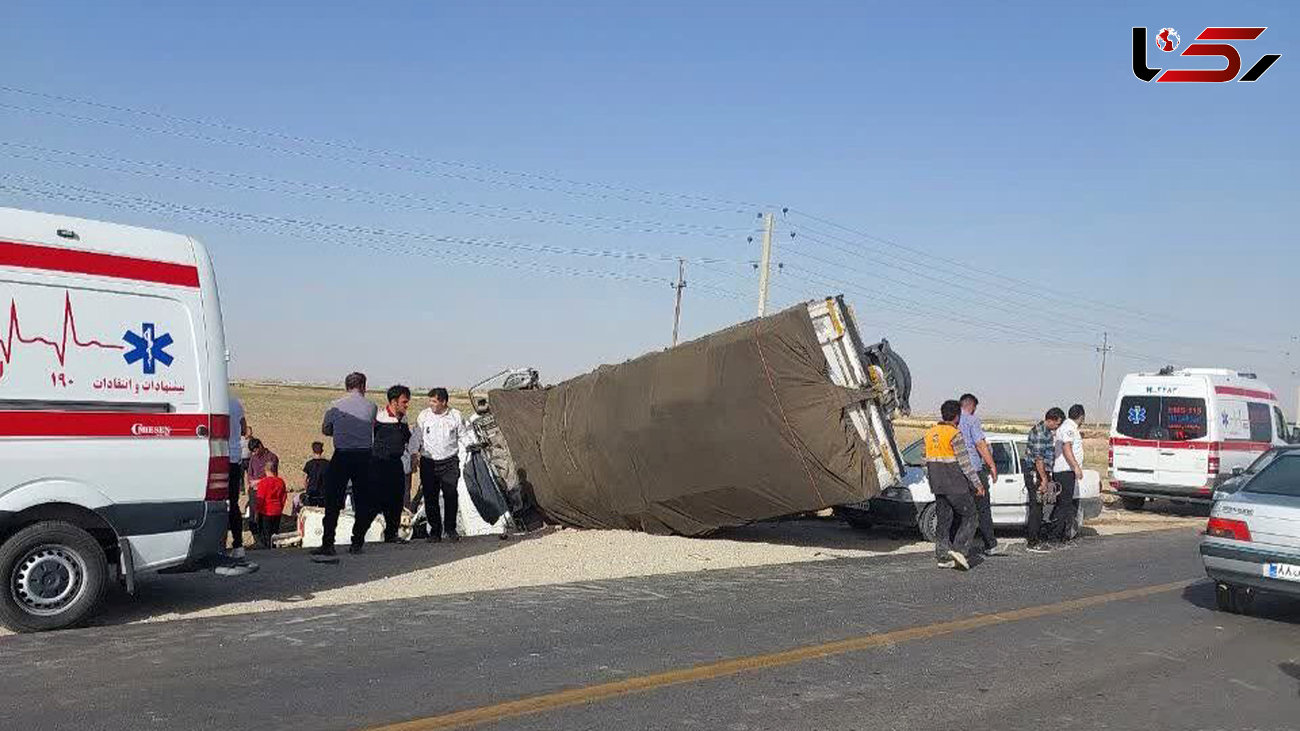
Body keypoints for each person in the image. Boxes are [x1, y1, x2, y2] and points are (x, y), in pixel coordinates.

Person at [312, 372, 378, 562]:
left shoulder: (335, 405)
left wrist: (340, 430)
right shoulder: (371, 406)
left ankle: (328, 543)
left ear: (346, 386)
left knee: (333, 500)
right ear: (363, 386)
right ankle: (357, 542)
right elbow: (370, 425)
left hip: (342, 455)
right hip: (365, 456)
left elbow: (326, 429)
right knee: (363, 500)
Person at [350, 385, 413, 552]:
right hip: (378, 466)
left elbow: (408, 440)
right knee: (372, 504)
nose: (407, 405)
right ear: (393, 402)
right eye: (404, 402)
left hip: (396, 466)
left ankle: (391, 534)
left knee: (395, 502)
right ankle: (357, 540)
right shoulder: (378, 419)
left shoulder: (403, 420)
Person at [924, 399, 983, 570]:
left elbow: (924, 461)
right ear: (957, 417)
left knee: (944, 520)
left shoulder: (930, 433)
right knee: (971, 515)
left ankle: (942, 557)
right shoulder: (954, 434)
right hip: (955, 485)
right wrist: (977, 484)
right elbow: (965, 463)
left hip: (938, 484)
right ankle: (959, 550)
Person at [416, 387, 468, 543]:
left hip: (450, 462)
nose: (431, 404)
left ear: (444, 402)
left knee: (450, 495)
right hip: (428, 463)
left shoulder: (456, 416)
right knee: (430, 497)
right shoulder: (424, 416)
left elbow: (464, 437)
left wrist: (471, 451)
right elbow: (416, 437)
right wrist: (413, 453)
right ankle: (435, 532)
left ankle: (451, 530)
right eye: (430, 400)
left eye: (434, 401)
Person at [958, 393, 1005, 557]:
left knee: (960, 510)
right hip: (975, 471)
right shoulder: (972, 420)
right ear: (971, 406)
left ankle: (957, 546)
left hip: (957, 471)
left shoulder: (953, 421)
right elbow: (980, 444)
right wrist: (992, 465)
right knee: (983, 509)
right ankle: (990, 544)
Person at [1025, 407, 1065, 553]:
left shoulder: (1047, 432)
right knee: (1036, 507)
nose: (1057, 427)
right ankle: (1033, 541)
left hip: (1042, 473)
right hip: (1037, 473)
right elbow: (1039, 459)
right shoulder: (1040, 433)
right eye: (1057, 424)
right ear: (1051, 419)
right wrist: (1043, 480)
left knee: (1040, 505)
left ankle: (1036, 537)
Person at [1050, 404, 1086, 545]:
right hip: (1065, 471)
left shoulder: (1067, 427)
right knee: (1064, 505)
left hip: (1065, 471)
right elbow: (1066, 448)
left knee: (1064, 504)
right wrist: (1076, 467)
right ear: (1081, 417)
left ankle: (1061, 534)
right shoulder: (1069, 428)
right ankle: (1055, 536)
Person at [226, 392, 248, 560]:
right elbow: (243, 429)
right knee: (233, 504)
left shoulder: (211, 398)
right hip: (234, 458)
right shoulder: (236, 403)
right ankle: (238, 545)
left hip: (215, 457)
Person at [245, 438, 278, 537]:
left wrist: (259, 482)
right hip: (254, 489)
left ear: (260, 446)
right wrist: (251, 483)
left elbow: (273, 476)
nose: (254, 453)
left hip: (267, 489)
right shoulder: (253, 458)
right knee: (253, 511)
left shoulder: (272, 457)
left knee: (264, 512)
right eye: (252, 452)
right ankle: (254, 532)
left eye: (255, 450)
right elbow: (250, 473)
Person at [256, 463, 288, 549]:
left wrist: (257, 510)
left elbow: (260, 499)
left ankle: (267, 549)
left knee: (266, 534)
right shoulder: (281, 482)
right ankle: (274, 548)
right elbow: (284, 497)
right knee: (275, 532)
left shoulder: (263, 482)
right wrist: (281, 507)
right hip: (277, 510)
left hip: (266, 511)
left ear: (266, 470)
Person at [302, 441, 330, 508]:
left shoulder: (309, 464)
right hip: (323, 493)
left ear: (313, 450)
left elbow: (305, 479)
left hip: (311, 493)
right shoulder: (328, 464)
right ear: (322, 450)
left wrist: (307, 490)